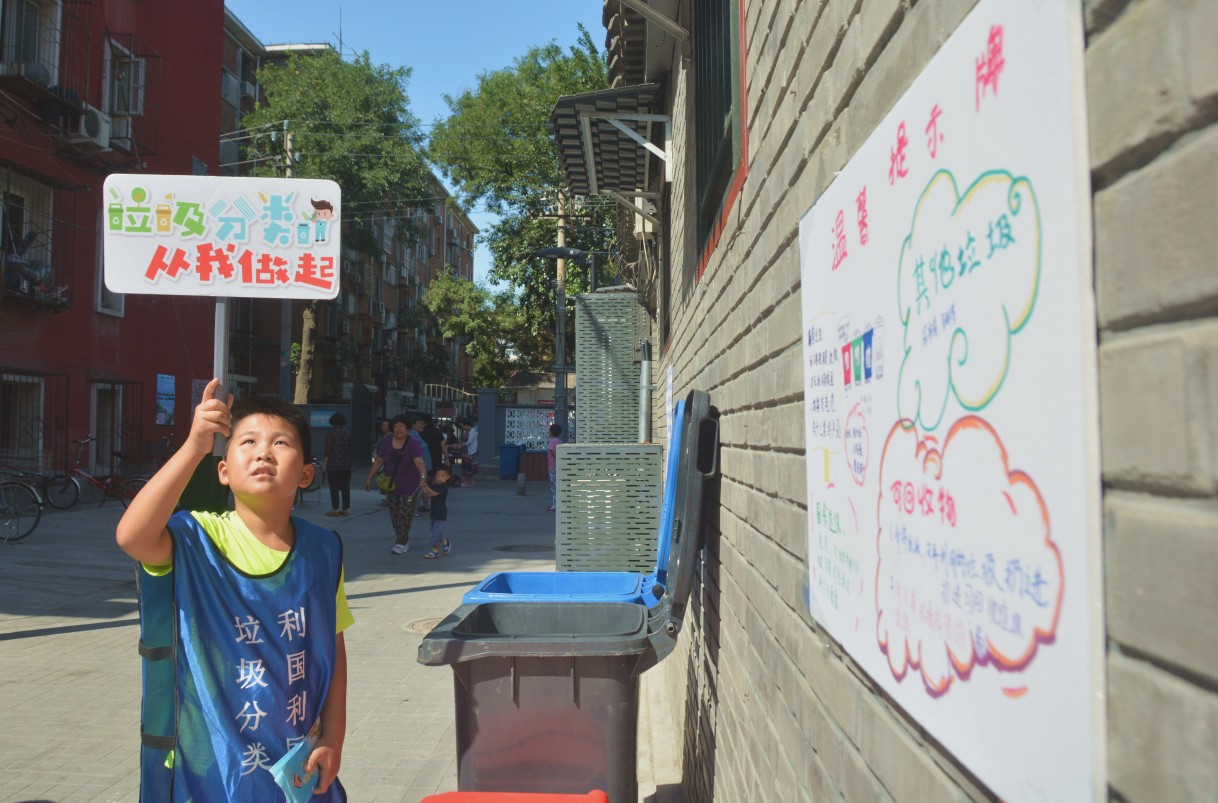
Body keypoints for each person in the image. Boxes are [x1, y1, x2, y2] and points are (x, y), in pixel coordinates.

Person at [116, 379, 351, 801]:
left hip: (293, 760)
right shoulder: (198, 539)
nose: (264, 452)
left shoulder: (322, 551)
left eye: (281, 443)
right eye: (248, 441)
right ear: (223, 471)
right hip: (211, 765)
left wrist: (333, 736)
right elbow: (133, 536)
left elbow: (331, 651)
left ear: (306, 474)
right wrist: (193, 448)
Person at [365, 415, 429, 554]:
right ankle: (402, 539)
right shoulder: (387, 442)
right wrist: (369, 477)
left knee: (405, 514)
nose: (398, 429)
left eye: (401, 426)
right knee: (394, 515)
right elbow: (379, 460)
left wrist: (423, 477)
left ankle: (401, 542)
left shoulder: (413, 444)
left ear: (407, 429)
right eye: (395, 426)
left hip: (410, 486)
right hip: (392, 485)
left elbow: (419, 461)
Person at [420, 465, 454, 560]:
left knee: (435, 534)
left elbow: (433, 494)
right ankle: (446, 542)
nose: (439, 478)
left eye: (442, 476)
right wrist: (423, 486)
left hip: (440, 513)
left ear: (448, 477)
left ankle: (435, 551)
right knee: (436, 532)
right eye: (438, 476)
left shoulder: (443, 487)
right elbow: (427, 492)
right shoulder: (435, 486)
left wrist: (426, 486)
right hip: (434, 512)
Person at [324, 412, 352, 516]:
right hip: (345, 464)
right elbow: (350, 449)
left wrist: (325, 464)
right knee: (345, 487)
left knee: (334, 487)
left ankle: (335, 509)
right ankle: (345, 509)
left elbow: (327, 449)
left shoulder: (331, 433)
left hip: (333, 464)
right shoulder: (347, 433)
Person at [410, 416, 432, 514]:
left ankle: (416, 507)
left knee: (421, 486)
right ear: (413, 425)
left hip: (421, 466)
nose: (421, 425)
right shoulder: (413, 435)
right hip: (418, 466)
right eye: (419, 424)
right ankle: (413, 508)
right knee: (417, 487)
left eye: (423, 424)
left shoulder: (416, 434)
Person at [547, 423, 564, 513]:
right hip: (559, 468)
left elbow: (554, 453)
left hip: (553, 468)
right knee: (558, 487)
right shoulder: (560, 441)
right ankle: (557, 504)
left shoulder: (552, 442)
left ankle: (555, 506)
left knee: (554, 488)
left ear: (552, 432)